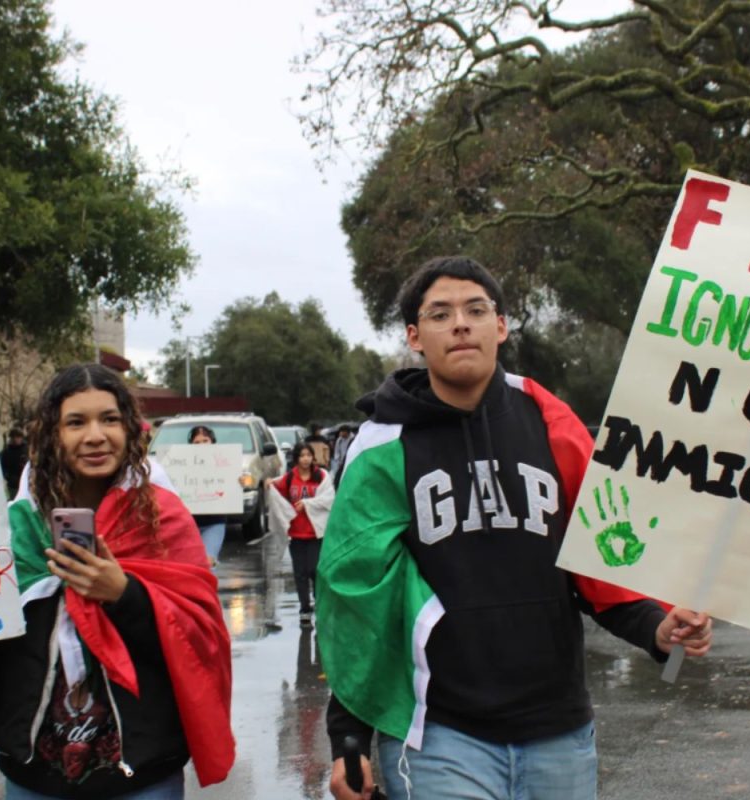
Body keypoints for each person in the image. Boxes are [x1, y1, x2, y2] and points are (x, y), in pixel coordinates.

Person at [318, 257, 712, 800]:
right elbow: (358, 604)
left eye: (476, 310)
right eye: (440, 314)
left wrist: (656, 626)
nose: (460, 323)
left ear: (500, 326)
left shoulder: (551, 421)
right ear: (414, 336)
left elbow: (602, 556)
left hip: (560, 732)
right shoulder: (382, 447)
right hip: (437, 737)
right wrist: (349, 737)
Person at [0, 363, 235, 799]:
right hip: (35, 778)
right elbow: (0, 643)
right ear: (52, 434)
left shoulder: (162, 521)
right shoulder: (15, 530)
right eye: (76, 422)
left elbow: (197, 642)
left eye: (109, 419)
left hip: (141, 774)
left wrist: (123, 594)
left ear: (129, 429)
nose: (95, 435)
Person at [266, 442, 333, 620]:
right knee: (299, 572)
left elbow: (329, 499)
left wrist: (308, 504)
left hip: (315, 533)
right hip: (296, 533)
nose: (306, 459)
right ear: (296, 458)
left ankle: (319, 602)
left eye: (309, 455)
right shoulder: (289, 478)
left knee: (314, 569)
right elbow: (275, 488)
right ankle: (304, 608)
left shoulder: (321, 476)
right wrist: (268, 484)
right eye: (302, 455)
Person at [188, 425, 227, 567]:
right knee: (190, 565)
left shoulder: (225, 462)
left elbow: (234, 486)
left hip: (214, 522)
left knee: (207, 562)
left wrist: (240, 481)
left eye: (205, 441)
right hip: (187, 524)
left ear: (212, 442)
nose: (201, 445)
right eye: (197, 442)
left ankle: (207, 588)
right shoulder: (181, 464)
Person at [0, 427, 28, 498]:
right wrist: (8, 476)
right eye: (13, 437)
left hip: (26, 483)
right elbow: (2, 467)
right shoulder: (6, 452)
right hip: (13, 484)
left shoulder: (27, 450)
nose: (15, 439)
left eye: (18, 437)